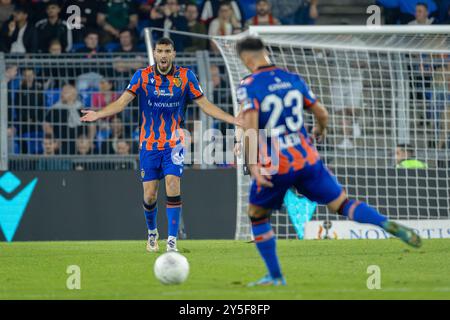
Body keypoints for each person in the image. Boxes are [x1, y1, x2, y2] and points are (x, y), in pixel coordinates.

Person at [235, 37, 422, 286]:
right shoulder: (293, 79)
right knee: (342, 203)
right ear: (265, 52)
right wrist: (320, 130)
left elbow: (249, 128)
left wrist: (255, 167)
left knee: (257, 215)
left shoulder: (249, 85)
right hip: (308, 157)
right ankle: (384, 223)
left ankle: (276, 276)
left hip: (277, 163)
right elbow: (322, 113)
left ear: (245, 59)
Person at [80, 37, 243, 252]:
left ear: (173, 53)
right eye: (160, 51)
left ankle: (172, 240)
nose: (163, 55)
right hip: (148, 144)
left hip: (174, 142)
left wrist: (233, 120)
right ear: (155, 54)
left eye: (167, 51)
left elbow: (206, 106)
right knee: (149, 195)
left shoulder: (186, 77)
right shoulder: (142, 76)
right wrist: (98, 114)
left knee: (173, 184)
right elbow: (121, 103)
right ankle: (152, 233)